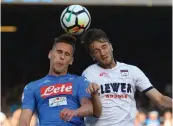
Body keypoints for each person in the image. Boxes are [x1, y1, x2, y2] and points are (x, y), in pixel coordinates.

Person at [80, 28, 172, 126]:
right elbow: (88, 108)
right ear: (92, 56)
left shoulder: (133, 71)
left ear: (111, 46)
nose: (102, 53)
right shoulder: (88, 74)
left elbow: (160, 99)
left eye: (104, 47)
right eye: (96, 51)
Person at [19, 33, 101, 126]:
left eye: (67, 54)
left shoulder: (80, 81)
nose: (62, 57)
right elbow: (24, 121)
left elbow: (90, 108)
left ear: (71, 60)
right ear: (50, 54)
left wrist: (74, 112)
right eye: (59, 52)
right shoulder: (31, 87)